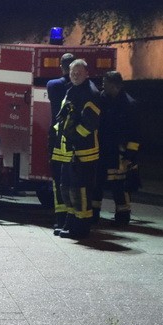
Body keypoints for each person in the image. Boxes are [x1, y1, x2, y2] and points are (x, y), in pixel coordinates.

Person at [54, 59, 101, 239]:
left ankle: (81, 227)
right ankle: (71, 222)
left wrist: (74, 137)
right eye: (73, 72)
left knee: (80, 191)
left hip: (84, 152)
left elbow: (89, 124)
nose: (75, 75)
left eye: (78, 73)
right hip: (70, 151)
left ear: (86, 73)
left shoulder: (91, 93)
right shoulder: (71, 90)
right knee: (66, 188)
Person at [92, 71, 140, 227]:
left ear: (114, 85)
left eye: (105, 84)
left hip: (119, 152)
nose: (102, 87)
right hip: (102, 148)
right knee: (96, 182)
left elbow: (135, 132)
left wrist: (130, 154)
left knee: (119, 184)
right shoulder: (102, 99)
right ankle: (93, 214)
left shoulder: (129, 104)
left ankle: (123, 215)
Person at [46, 53, 76, 229]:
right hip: (76, 142)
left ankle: (61, 218)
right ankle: (75, 217)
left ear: (61, 66)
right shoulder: (82, 89)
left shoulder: (54, 85)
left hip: (58, 140)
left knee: (59, 181)